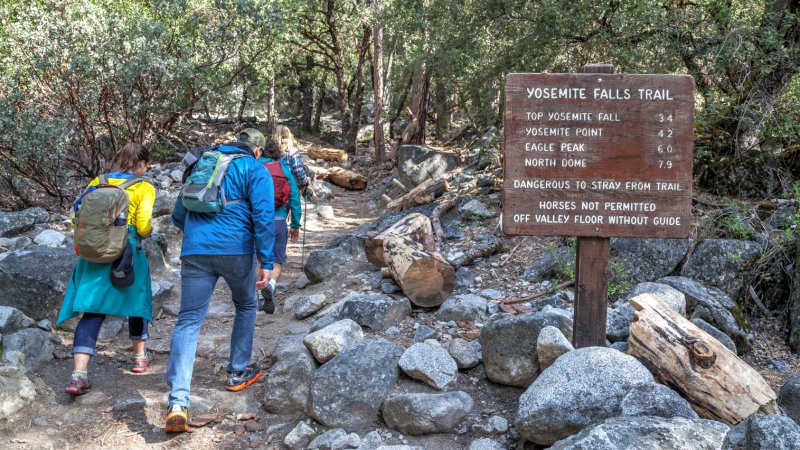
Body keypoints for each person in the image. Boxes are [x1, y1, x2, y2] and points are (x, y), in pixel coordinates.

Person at [165, 139, 275, 433]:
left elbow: (178, 215)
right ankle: (237, 372)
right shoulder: (254, 168)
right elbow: (263, 216)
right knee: (246, 304)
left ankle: (177, 403)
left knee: (188, 321)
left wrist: (200, 234)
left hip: (194, 251)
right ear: (254, 150)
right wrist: (267, 259)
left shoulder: (203, 164)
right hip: (236, 250)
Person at [57, 142, 155, 395]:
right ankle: (139, 358)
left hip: (91, 252)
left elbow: (74, 218)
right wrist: (147, 232)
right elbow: (143, 225)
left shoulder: (96, 183)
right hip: (126, 250)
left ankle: (78, 376)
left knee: (92, 311)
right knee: (136, 301)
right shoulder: (143, 188)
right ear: (142, 164)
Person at [257, 138, 302, 314]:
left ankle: (261, 294)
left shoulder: (254, 166)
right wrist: (295, 225)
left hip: (258, 220)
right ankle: (272, 285)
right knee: (276, 259)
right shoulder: (285, 169)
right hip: (279, 220)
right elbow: (295, 200)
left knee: (260, 259)